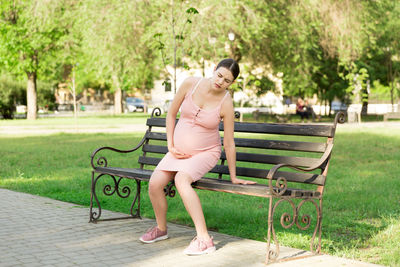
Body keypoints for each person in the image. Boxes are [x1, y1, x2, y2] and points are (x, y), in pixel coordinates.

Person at [139, 58, 256, 255]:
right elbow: (171, 114)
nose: (220, 82)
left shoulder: (226, 103)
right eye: (219, 75)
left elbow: (228, 142)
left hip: (205, 153)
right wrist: (171, 145)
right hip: (178, 152)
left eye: (227, 80)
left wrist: (233, 176)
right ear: (214, 70)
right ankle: (161, 229)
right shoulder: (190, 84)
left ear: (232, 83)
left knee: (181, 179)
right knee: (154, 183)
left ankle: (204, 239)